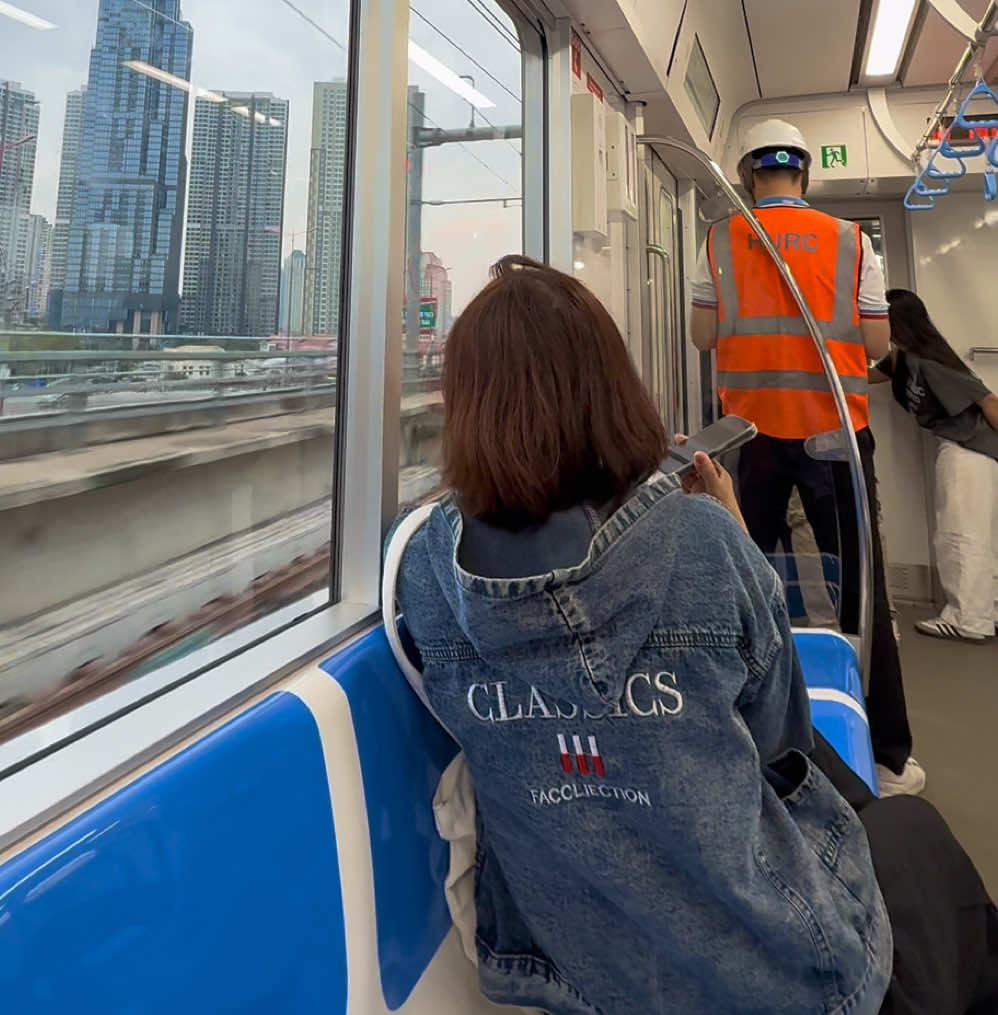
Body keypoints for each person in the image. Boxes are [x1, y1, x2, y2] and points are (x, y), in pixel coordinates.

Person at [390, 257, 998, 1015]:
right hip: (774, 971)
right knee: (917, 833)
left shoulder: (425, 574)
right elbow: (782, 740)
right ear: (608, 387)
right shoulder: (700, 541)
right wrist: (727, 535)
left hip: (566, 969)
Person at [688, 120, 921, 798]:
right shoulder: (851, 241)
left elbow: (704, 333)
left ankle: (746, 733)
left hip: (748, 440)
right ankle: (889, 755)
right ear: (803, 172)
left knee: (743, 580)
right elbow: (877, 341)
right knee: (861, 585)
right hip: (835, 437)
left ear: (748, 174)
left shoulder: (721, 238)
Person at [872, 288, 998, 642]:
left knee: (961, 534)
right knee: (967, 533)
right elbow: (868, 376)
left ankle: (968, 619)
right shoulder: (902, 359)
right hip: (958, 448)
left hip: (970, 451)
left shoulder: (931, 362)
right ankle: (984, 610)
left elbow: (988, 400)